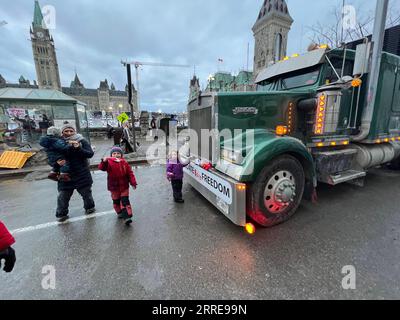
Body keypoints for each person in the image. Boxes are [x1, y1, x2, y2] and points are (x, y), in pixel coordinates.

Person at [55, 123, 95, 222]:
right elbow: (51, 157)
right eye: (66, 131)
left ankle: (89, 208)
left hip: (81, 172)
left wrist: (79, 148)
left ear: (75, 131)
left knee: (86, 194)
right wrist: (56, 162)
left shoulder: (82, 141)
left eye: (71, 131)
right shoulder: (58, 143)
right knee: (63, 196)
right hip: (65, 174)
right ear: (62, 132)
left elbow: (89, 154)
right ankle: (61, 213)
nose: (69, 133)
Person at [98, 146, 137, 225]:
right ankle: (119, 212)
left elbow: (130, 173)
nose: (116, 155)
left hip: (124, 186)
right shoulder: (108, 162)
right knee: (116, 201)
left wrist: (133, 182)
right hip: (113, 187)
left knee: (124, 201)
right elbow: (102, 168)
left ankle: (127, 217)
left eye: (118, 153)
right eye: (114, 153)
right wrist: (104, 162)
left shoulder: (124, 162)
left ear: (121, 155)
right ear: (111, 155)